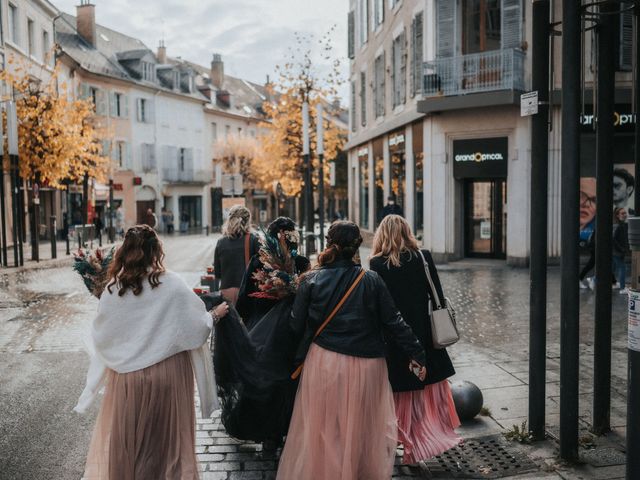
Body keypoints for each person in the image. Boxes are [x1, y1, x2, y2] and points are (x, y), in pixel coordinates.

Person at [74, 224, 228, 479]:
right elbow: (194, 328)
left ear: (125, 252)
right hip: (168, 375)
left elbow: (103, 335)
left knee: (131, 447)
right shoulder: (172, 284)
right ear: (156, 251)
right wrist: (214, 315)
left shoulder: (113, 290)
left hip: (128, 380)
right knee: (167, 447)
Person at [276, 221, 427, 480]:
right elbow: (394, 321)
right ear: (358, 245)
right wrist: (417, 353)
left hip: (325, 362)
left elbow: (294, 325)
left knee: (324, 428)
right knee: (363, 428)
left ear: (328, 242)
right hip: (368, 365)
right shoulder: (371, 280)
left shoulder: (311, 280)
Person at [370, 214, 461, 469]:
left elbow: (379, 306)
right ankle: (422, 442)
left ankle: (398, 442)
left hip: (395, 337)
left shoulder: (376, 264)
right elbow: (437, 295)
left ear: (382, 234)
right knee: (426, 392)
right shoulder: (423, 257)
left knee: (400, 392)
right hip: (424, 333)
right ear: (407, 231)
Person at [236, 217, 310, 330]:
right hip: (291, 323)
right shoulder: (303, 262)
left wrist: (243, 317)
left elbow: (246, 292)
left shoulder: (258, 261)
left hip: (260, 322)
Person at [213, 205, 260, 305]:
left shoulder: (221, 242)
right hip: (246, 291)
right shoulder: (253, 240)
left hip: (225, 293)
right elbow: (262, 266)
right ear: (248, 221)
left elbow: (217, 273)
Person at [613, 207, 630, 294]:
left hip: (617, 251)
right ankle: (623, 288)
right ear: (617, 215)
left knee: (612, 268)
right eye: (622, 213)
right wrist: (621, 249)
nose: (624, 215)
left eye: (625, 213)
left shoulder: (621, 224)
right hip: (616, 252)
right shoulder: (618, 226)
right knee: (623, 268)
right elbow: (613, 239)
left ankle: (594, 279)